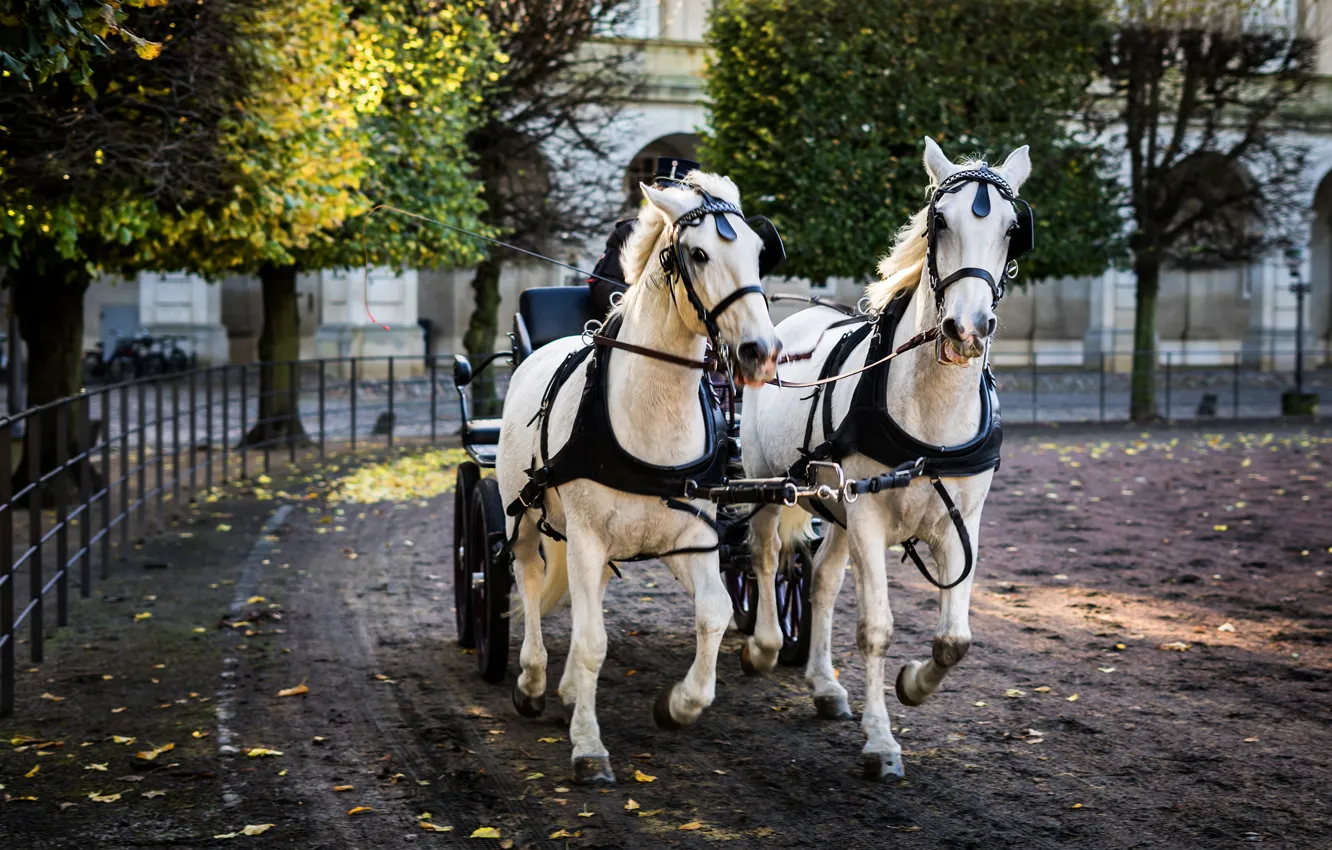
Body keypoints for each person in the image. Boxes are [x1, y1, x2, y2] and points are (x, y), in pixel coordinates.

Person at [587, 156, 701, 317]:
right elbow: (602, 283)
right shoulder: (629, 232)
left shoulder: (698, 239)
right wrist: (639, 302)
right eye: (662, 195)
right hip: (634, 321)